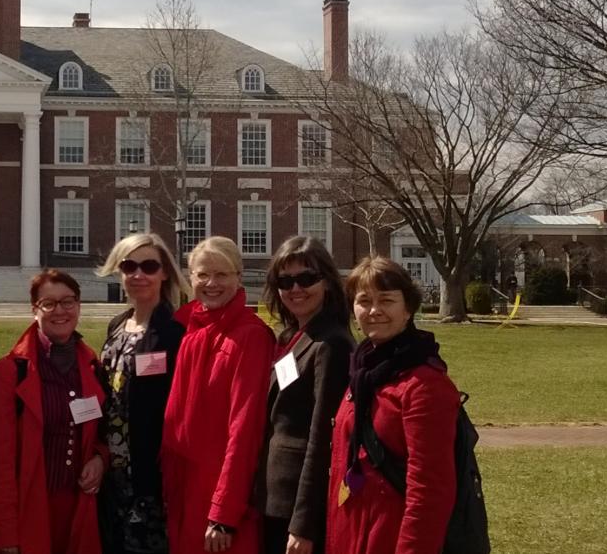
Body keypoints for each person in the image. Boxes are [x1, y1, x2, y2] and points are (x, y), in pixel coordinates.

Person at [326, 258, 461, 554]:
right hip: (352, 530)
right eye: (364, 301)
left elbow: (429, 490)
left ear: (408, 308)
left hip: (391, 535)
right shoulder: (362, 373)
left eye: (386, 300)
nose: (374, 310)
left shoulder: (424, 384)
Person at [0, 270, 109, 554]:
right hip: (30, 509)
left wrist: (100, 459)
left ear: (78, 306)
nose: (60, 311)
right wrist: (6, 533)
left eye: (68, 302)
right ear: (34, 309)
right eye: (49, 304)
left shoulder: (91, 366)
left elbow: (100, 433)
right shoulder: (9, 373)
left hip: (80, 510)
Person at [162, 236, 274, 554]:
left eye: (222, 274)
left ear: (239, 278)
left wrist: (224, 512)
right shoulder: (191, 329)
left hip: (219, 497)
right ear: (190, 278)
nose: (212, 283)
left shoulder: (250, 336)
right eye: (203, 274)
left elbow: (245, 429)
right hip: (183, 490)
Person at [256, 237, 355, 554]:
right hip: (276, 498)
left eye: (307, 278)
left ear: (327, 282)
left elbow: (323, 438)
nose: (295, 288)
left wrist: (304, 524)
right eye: (285, 281)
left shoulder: (331, 344)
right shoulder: (295, 337)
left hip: (299, 509)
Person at [92, 233, 189, 554]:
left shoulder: (174, 334)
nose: (138, 275)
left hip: (151, 475)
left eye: (149, 266)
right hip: (112, 472)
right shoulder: (117, 326)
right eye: (129, 266)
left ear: (165, 273)